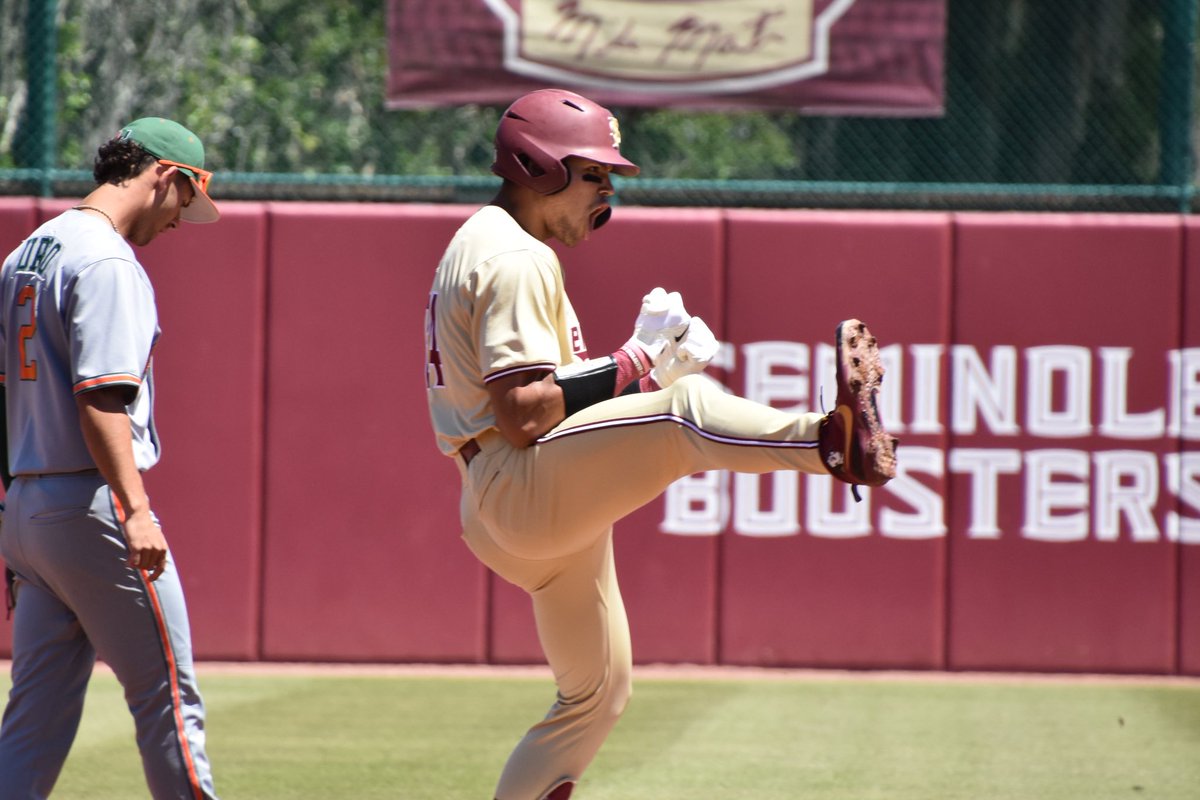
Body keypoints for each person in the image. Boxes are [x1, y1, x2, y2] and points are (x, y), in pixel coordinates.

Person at [425, 88, 898, 800]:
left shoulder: (493, 244)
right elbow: (524, 412)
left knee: (596, 698)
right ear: (540, 166)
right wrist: (643, 366)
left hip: (510, 495)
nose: (608, 190)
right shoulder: (515, 256)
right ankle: (829, 443)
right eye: (594, 173)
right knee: (683, 415)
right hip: (516, 478)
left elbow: (553, 407)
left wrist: (653, 365)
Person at [0, 117, 221, 799]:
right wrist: (137, 510)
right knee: (169, 700)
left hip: (30, 504)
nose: (183, 219)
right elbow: (101, 401)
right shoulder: (107, 260)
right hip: (90, 506)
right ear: (165, 176)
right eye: (187, 199)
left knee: (33, 716)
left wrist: (13, 511)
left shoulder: (26, 253)